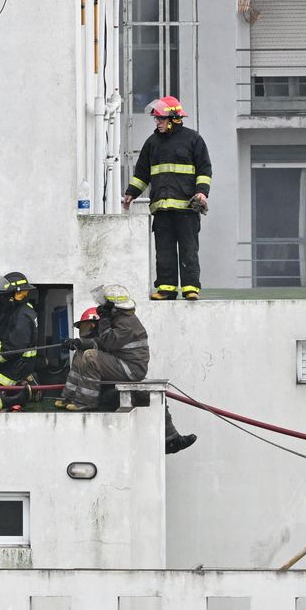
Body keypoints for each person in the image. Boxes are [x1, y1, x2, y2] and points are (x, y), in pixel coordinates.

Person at [58, 284, 197, 454]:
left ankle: (86, 402)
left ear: (114, 308)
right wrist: (80, 343)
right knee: (82, 353)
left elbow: (108, 342)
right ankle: (69, 397)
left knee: (90, 357)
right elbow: (103, 343)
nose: (102, 309)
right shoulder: (120, 320)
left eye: (106, 306)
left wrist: (104, 321)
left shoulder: (126, 323)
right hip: (120, 362)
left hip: (130, 368)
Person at [123, 95, 212, 301]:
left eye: (161, 119)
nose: (157, 123)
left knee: (189, 249)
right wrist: (130, 193)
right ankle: (166, 288)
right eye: (156, 119)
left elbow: (204, 169)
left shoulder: (193, 139)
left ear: (174, 119)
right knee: (164, 250)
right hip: (161, 209)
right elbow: (142, 173)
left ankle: (190, 287)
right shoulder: (152, 143)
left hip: (187, 209)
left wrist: (201, 192)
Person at [0, 271, 39, 390]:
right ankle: (26, 383)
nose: (1, 297)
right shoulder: (14, 310)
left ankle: (26, 385)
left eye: (4, 294)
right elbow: (0, 330)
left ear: (16, 295)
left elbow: (14, 347)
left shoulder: (22, 315)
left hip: (17, 366)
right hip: (8, 363)